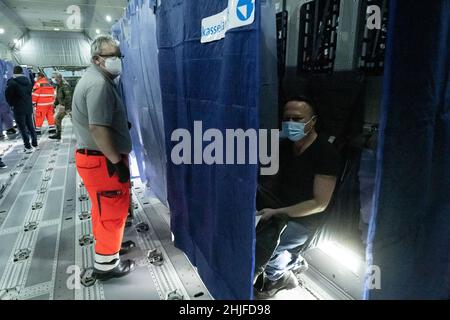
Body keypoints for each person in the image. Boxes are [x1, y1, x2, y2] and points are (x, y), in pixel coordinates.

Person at [254, 97, 340, 299]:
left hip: (305, 219)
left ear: (313, 121)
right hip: (279, 208)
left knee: (262, 243)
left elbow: (319, 203)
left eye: (298, 118)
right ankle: (288, 261)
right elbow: (271, 183)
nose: (291, 123)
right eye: (287, 119)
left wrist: (276, 212)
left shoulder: (326, 153)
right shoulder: (284, 147)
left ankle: (281, 273)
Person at [72, 35, 135, 281]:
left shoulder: (96, 79)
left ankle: (110, 248)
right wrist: (116, 162)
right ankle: (107, 266)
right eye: (112, 57)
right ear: (97, 60)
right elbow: (97, 128)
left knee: (103, 208)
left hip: (94, 158)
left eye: (118, 56)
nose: (117, 60)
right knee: (112, 210)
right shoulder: (98, 84)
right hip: (102, 160)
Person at [5, 66, 38, 153]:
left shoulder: (12, 82)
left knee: (22, 128)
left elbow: (8, 95)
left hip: (18, 108)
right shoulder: (28, 81)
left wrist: (11, 104)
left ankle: (27, 146)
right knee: (30, 126)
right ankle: (35, 143)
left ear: (13, 72)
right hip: (28, 107)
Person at [49, 73, 73, 140]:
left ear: (59, 78)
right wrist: (55, 104)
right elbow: (58, 97)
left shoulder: (65, 85)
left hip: (69, 107)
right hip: (64, 107)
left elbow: (68, 97)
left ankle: (81, 135)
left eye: (54, 77)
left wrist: (63, 106)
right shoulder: (58, 85)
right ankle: (58, 134)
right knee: (57, 119)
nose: (53, 79)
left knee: (74, 121)